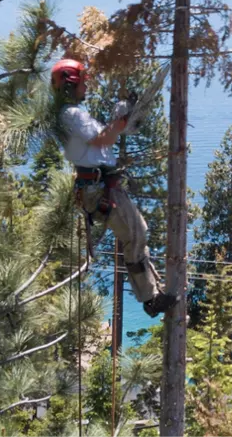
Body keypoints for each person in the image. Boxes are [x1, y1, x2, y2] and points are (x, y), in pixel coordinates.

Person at [52, 58, 176, 318]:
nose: (87, 87)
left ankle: (153, 292)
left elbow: (102, 139)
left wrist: (123, 116)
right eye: (83, 83)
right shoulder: (71, 114)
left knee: (138, 233)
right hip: (98, 188)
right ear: (70, 85)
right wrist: (121, 120)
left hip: (101, 185)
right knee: (134, 235)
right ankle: (150, 298)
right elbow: (102, 139)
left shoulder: (74, 115)